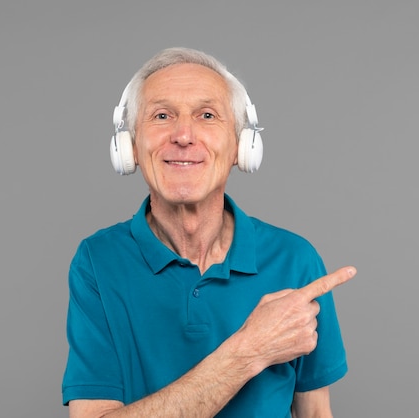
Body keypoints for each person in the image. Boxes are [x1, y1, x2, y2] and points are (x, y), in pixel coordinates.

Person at [62, 47, 356, 417]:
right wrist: (249, 350)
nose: (183, 135)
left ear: (241, 147)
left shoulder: (295, 259)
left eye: (207, 115)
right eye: (162, 115)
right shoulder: (98, 262)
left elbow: (315, 414)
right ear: (130, 146)